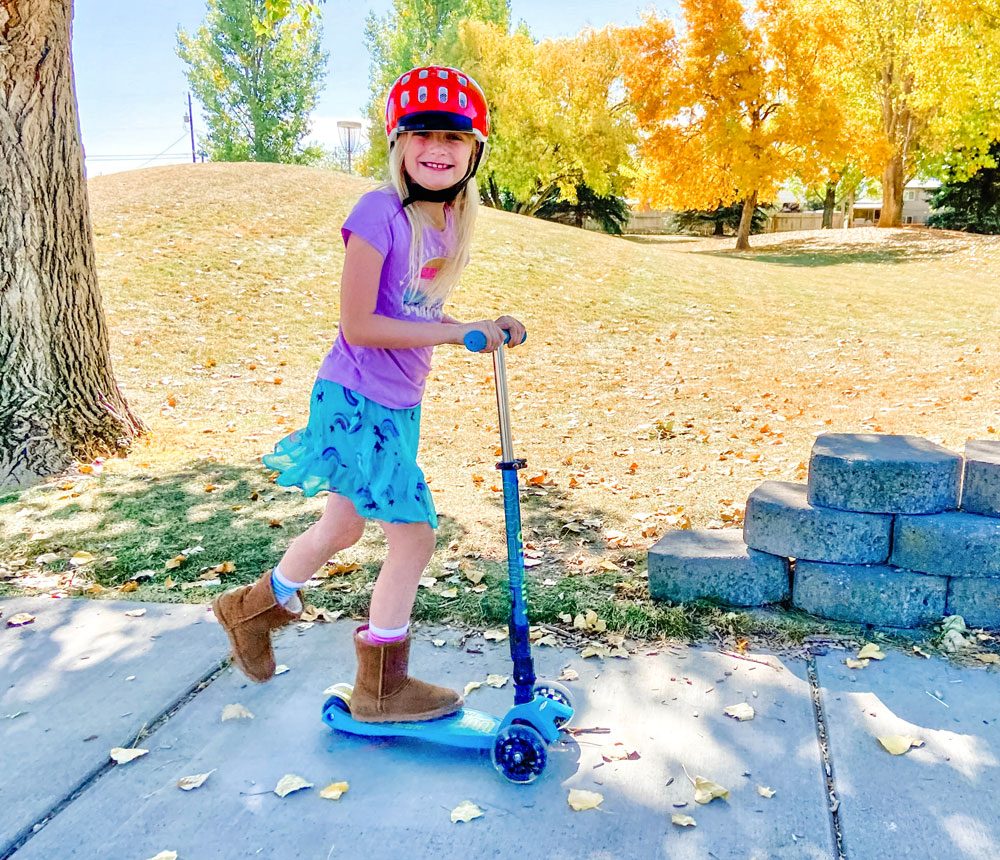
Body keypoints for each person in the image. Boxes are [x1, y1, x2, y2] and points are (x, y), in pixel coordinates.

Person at [212, 65, 525, 723]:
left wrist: (478, 326)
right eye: (423, 134)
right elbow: (359, 324)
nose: (437, 149)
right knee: (414, 537)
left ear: (474, 152)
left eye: (454, 137)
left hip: (396, 404)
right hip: (357, 400)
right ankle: (382, 686)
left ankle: (251, 609)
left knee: (342, 525)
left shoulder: (446, 221)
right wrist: (456, 332)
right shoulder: (378, 212)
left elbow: (413, 311)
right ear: (398, 142)